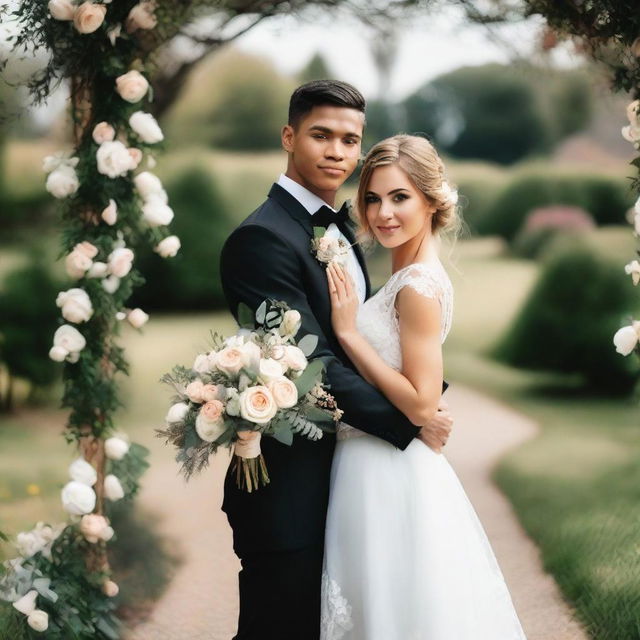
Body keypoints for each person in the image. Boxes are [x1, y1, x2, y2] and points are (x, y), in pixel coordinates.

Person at [219, 81, 453, 640]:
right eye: (321, 135)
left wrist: (421, 396)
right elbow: (307, 365)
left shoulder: (339, 229)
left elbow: (374, 337)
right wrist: (411, 418)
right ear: (288, 136)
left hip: (347, 479)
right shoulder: (261, 239)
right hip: (290, 485)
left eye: (350, 140)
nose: (336, 152)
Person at [320, 134, 527, 639]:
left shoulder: (417, 286)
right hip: (372, 459)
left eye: (399, 197)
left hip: (386, 469)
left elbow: (420, 403)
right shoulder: (405, 274)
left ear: (431, 200)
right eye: (372, 198)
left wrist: (348, 331)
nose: (382, 213)